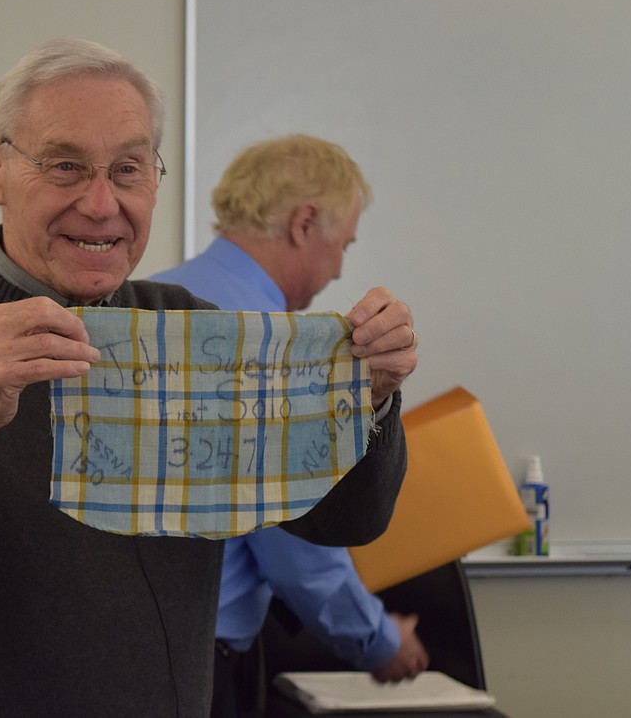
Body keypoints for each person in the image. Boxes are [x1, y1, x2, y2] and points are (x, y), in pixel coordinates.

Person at [0, 38, 417, 717]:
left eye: (129, 169)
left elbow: (343, 520)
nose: (100, 203)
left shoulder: (192, 328)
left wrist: (370, 400)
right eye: (64, 167)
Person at [152, 134, 428, 718]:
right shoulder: (271, 343)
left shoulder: (154, 301)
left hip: (142, 652)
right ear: (305, 222)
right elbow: (296, 542)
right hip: (206, 666)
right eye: (343, 246)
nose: (338, 270)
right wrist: (378, 641)